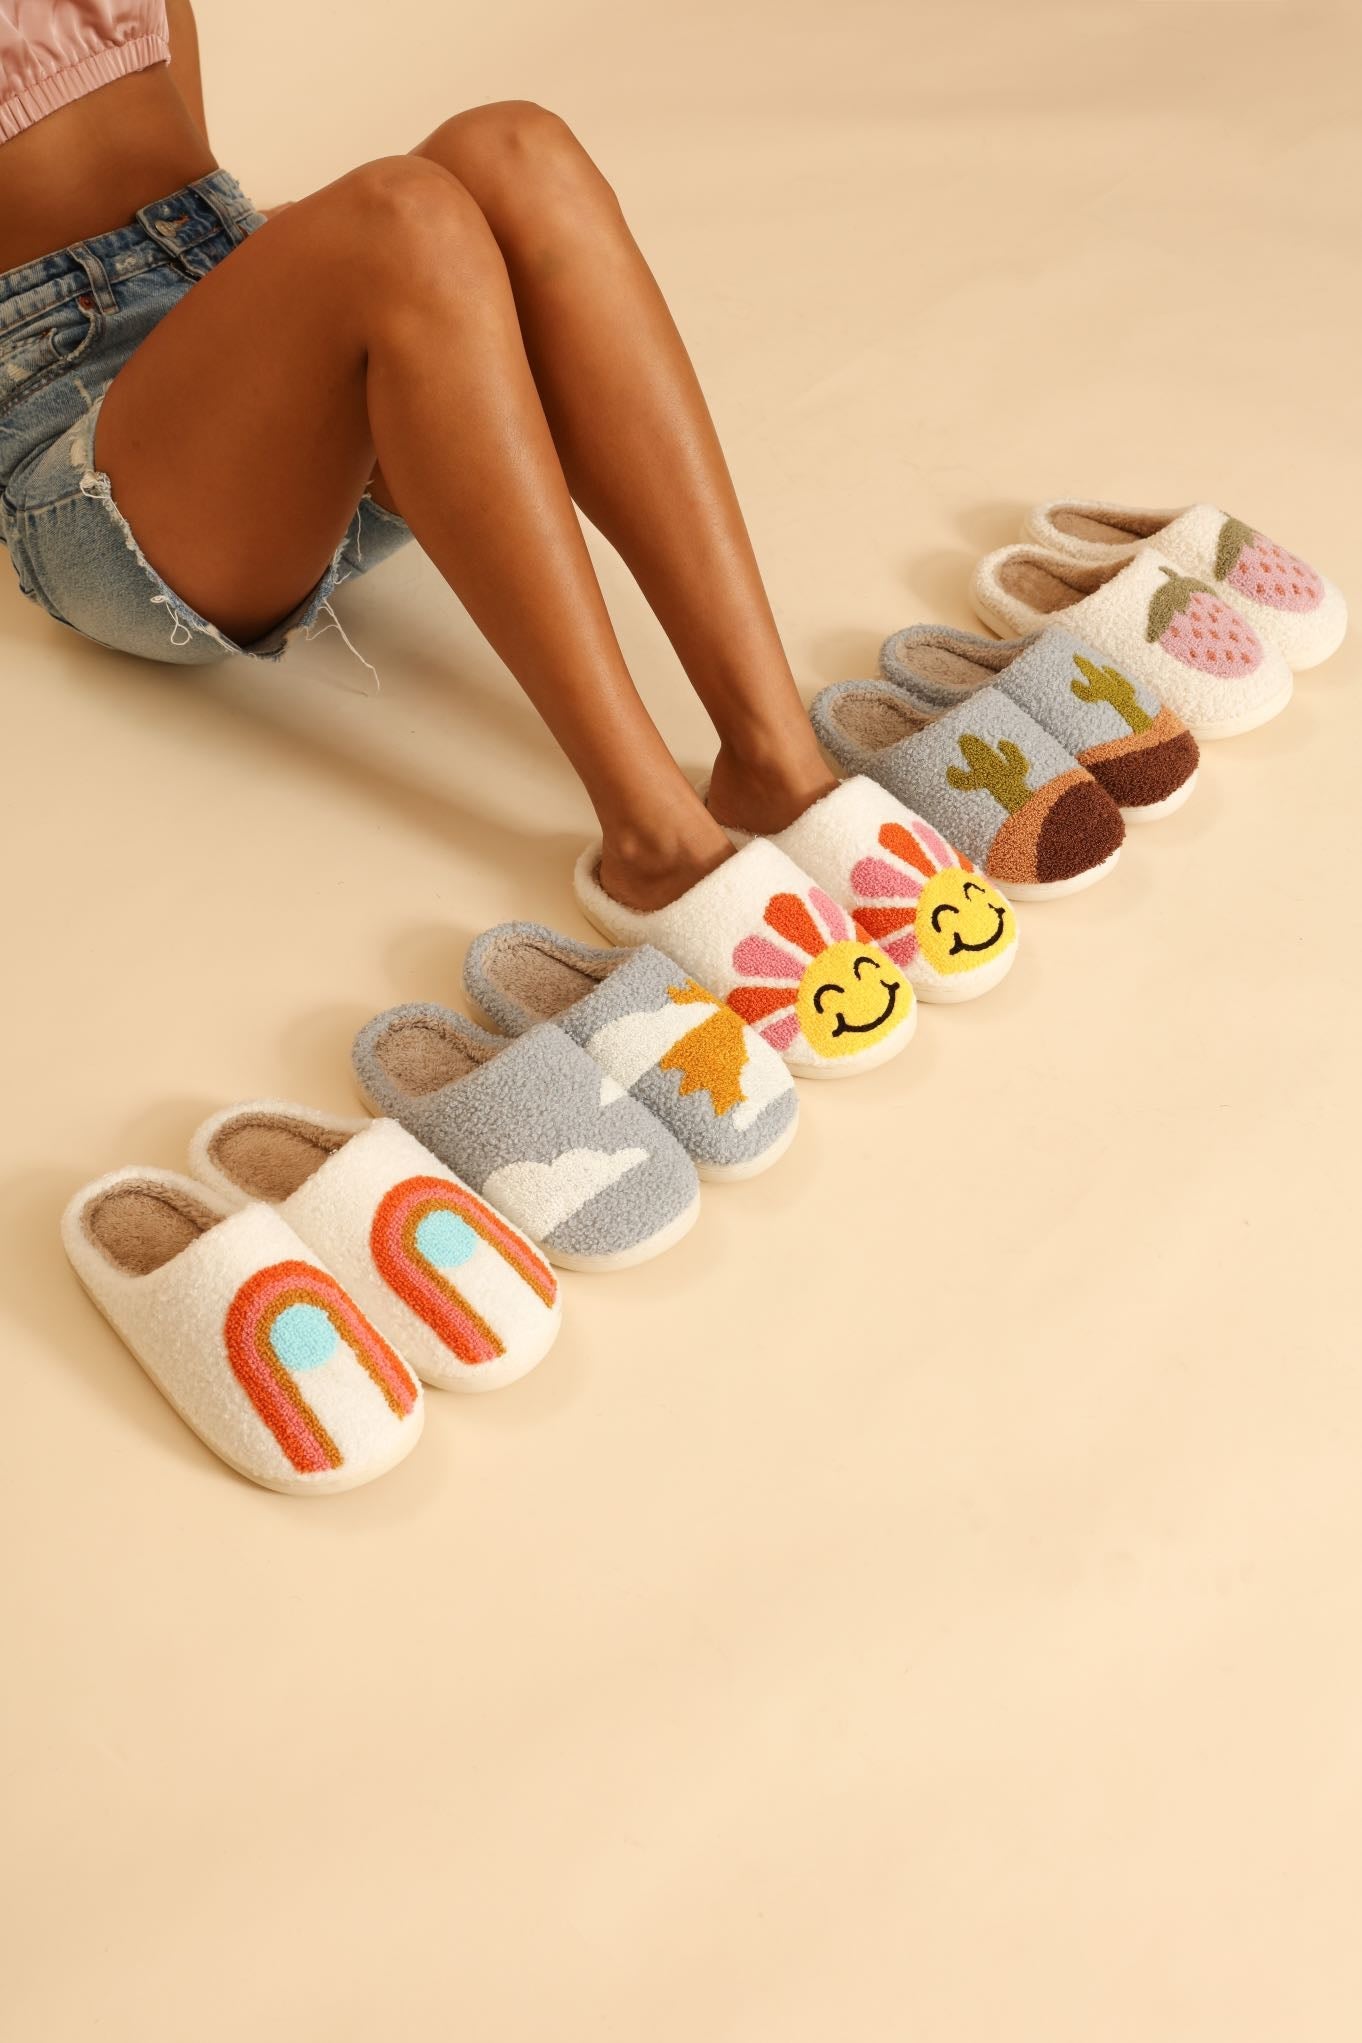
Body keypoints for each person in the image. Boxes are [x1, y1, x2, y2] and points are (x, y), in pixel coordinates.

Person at [0, 1, 841, 909]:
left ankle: (779, 765)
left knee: (516, 147)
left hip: (239, 362)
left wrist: (293, 280)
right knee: (402, 213)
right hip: (84, 451)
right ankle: (657, 842)